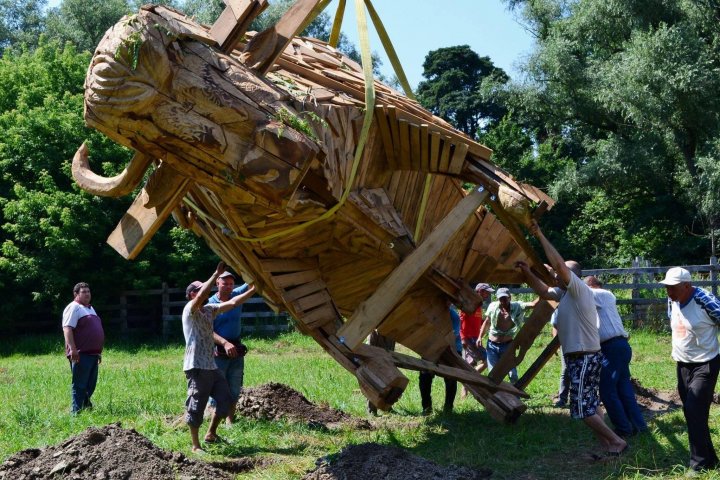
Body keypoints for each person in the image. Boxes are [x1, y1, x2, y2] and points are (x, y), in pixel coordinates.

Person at [515, 220, 627, 456]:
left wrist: (539, 234)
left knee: (581, 409)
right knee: (592, 405)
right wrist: (526, 272)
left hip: (585, 356)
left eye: (559, 272)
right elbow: (544, 291)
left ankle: (616, 441)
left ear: (571, 276)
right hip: (581, 357)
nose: (554, 274)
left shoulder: (578, 289)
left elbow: (558, 265)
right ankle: (607, 443)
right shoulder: (564, 294)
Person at [182, 262, 256, 452]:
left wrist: (255, 290)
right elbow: (200, 295)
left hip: (211, 366)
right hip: (196, 366)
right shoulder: (190, 310)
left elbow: (232, 303)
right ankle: (195, 446)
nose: (205, 293)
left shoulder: (209, 309)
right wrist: (216, 274)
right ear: (193, 294)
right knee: (197, 405)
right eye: (200, 291)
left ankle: (211, 433)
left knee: (226, 399)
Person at [661, 267, 720, 472]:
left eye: (673, 287)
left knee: (694, 410)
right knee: (693, 413)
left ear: (687, 286)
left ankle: (699, 465)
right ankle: (710, 458)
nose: (668, 291)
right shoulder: (672, 299)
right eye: (667, 287)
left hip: (705, 363)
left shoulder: (704, 299)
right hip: (683, 364)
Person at [585, 275, 647, 437]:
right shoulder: (601, 299)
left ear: (592, 285)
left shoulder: (601, 294)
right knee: (623, 388)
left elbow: (576, 290)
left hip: (611, 347)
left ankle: (623, 428)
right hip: (617, 347)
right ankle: (638, 426)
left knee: (607, 390)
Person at [208, 270, 253, 424]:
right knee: (218, 386)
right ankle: (214, 421)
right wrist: (224, 343)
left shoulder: (236, 294)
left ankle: (230, 421)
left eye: (231, 284)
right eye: (224, 283)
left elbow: (252, 281)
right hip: (218, 350)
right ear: (217, 283)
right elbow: (208, 331)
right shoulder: (210, 304)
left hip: (236, 346)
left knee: (235, 385)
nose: (228, 287)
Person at [62, 282, 105, 414]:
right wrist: (73, 349)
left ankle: (86, 406)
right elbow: (67, 328)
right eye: (83, 292)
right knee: (80, 384)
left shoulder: (90, 308)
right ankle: (76, 412)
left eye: (88, 291)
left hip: (92, 354)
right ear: (76, 294)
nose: (87, 294)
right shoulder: (73, 307)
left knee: (90, 384)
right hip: (80, 353)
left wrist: (98, 352)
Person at [418, 304, 461, 415]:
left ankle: (448, 408)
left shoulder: (453, 316)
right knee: (424, 376)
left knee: (451, 379)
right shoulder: (431, 315)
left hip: (452, 350)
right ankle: (426, 407)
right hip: (432, 348)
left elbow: (453, 336)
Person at [479, 287, 525, 383]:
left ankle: (516, 394)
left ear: (509, 298)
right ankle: (496, 395)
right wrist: (480, 337)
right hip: (492, 345)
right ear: (497, 299)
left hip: (507, 345)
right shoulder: (493, 306)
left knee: (513, 374)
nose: (503, 301)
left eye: (505, 298)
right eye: (500, 299)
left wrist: (545, 292)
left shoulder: (516, 306)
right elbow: (487, 322)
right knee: (493, 374)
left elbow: (532, 305)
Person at [459, 283, 493, 397]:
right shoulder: (469, 303)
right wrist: (463, 338)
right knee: (487, 360)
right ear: (479, 291)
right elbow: (461, 321)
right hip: (469, 338)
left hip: (475, 338)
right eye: (486, 292)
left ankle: (466, 386)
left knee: (471, 364)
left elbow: (476, 320)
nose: (488, 294)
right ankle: (469, 382)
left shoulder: (479, 305)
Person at [366, 330, 396, 415]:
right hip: (377, 332)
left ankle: (387, 406)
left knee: (389, 370)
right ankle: (371, 408)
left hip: (389, 330)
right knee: (374, 372)